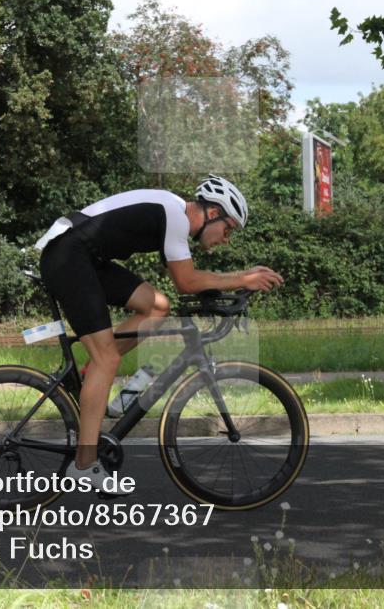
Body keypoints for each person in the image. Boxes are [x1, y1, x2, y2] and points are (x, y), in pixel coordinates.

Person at [36, 174, 284, 495]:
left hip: (85, 256)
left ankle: (92, 372)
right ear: (212, 214)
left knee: (157, 307)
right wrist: (242, 278)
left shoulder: (172, 214)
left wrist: (233, 282)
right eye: (229, 228)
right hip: (68, 256)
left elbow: (186, 282)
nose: (227, 238)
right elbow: (188, 281)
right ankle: (84, 465)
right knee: (108, 358)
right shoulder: (175, 215)